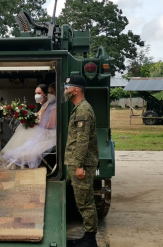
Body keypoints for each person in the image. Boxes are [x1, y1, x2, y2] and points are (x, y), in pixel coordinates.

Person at [64, 75, 99, 247]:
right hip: (77, 162)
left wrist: (78, 166)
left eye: (67, 88)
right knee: (82, 201)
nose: (65, 91)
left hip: (82, 164)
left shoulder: (83, 110)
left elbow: (82, 141)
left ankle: (90, 241)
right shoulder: (79, 108)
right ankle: (87, 237)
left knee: (85, 202)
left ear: (76, 90)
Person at [0, 83, 57, 169]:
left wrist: (36, 123)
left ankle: (18, 158)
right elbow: (38, 117)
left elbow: (51, 124)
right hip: (43, 129)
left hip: (50, 133)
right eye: (49, 92)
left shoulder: (54, 106)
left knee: (23, 130)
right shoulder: (48, 104)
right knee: (22, 129)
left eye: (52, 92)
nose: (50, 95)